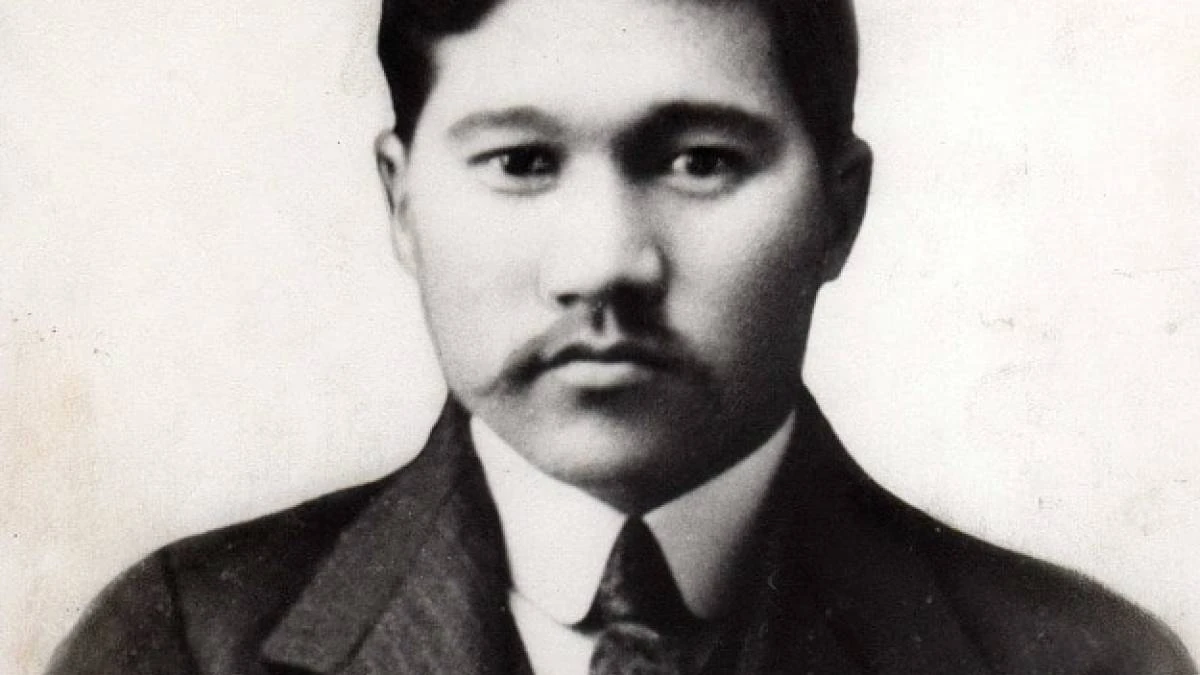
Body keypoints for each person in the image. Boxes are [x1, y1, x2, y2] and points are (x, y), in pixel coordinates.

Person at [48, 0, 1194, 673]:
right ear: (401, 203)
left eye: (700, 161)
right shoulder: (183, 645)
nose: (602, 264)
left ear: (838, 212)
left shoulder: (1084, 662)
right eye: (522, 162)